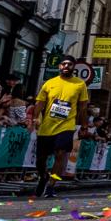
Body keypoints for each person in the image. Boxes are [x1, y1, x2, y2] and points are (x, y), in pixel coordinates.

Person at [33, 55, 89, 198]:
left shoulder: (79, 85)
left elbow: (83, 107)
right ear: (59, 66)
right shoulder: (49, 83)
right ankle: (43, 176)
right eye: (63, 64)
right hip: (47, 126)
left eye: (69, 64)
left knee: (60, 154)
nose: (66, 67)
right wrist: (34, 117)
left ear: (73, 67)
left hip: (66, 126)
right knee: (40, 159)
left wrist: (84, 126)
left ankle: (52, 185)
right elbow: (40, 102)